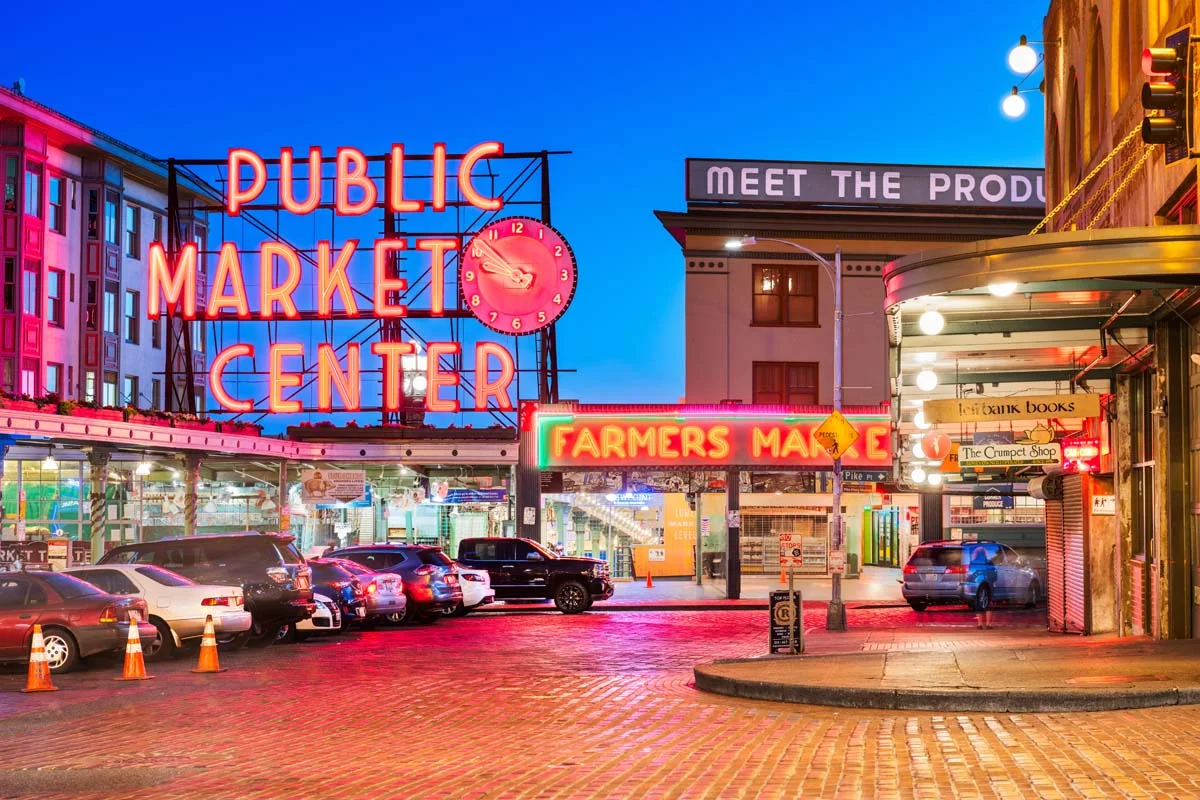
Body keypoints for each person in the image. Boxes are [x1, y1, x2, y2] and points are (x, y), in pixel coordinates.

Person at [971, 546, 994, 629]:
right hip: (988, 585)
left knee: (978, 603)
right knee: (988, 604)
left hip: (977, 586)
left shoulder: (973, 563)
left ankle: (979, 624)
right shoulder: (989, 562)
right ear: (984, 553)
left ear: (975, 554)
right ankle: (988, 624)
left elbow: (970, 575)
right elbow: (994, 575)